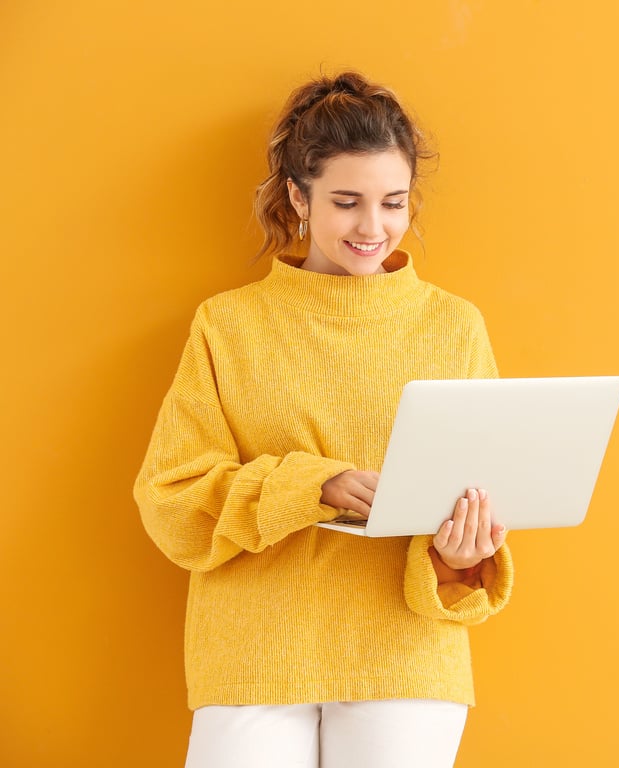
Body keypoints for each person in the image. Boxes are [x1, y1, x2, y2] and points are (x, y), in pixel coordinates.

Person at [134, 70, 513, 768]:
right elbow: (172, 501)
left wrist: (460, 556)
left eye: (393, 202)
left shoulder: (454, 327)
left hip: (404, 655)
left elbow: (477, 498)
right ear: (298, 197)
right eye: (347, 202)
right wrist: (316, 484)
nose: (373, 227)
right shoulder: (229, 325)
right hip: (252, 654)